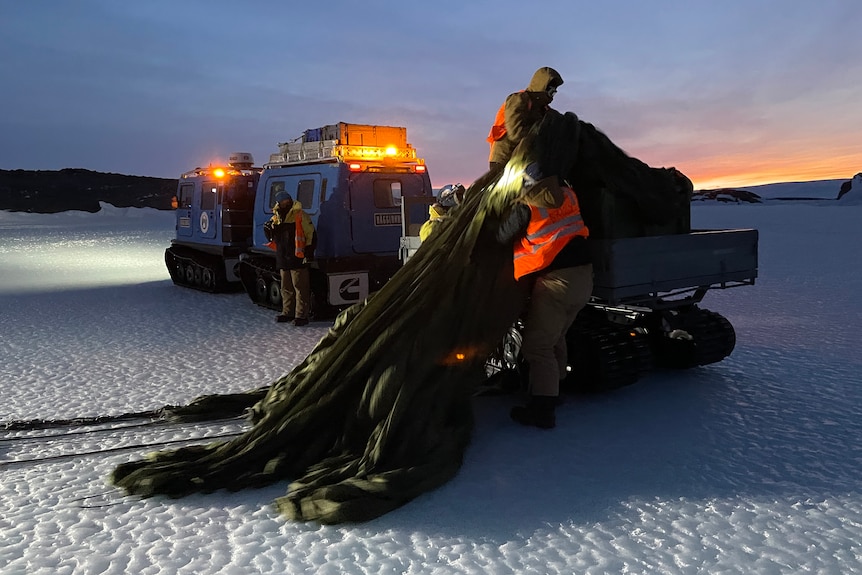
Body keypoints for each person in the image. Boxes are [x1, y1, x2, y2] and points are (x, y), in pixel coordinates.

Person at [497, 168, 593, 428]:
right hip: (583, 278)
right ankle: (554, 390)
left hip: (556, 283)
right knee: (555, 338)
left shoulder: (528, 205)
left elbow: (503, 236)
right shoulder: (568, 194)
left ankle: (542, 410)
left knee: (537, 347)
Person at [487, 67, 564, 171]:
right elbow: (516, 132)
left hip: (524, 159)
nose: (552, 97)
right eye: (551, 92)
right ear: (543, 86)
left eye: (554, 93)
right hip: (504, 157)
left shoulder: (545, 110)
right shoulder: (519, 99)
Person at [263, 190, 316, 326]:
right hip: (283, 256)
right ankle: (287, 313)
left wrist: (309, 251)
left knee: (300, 287)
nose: (285, 202)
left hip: (298, 256)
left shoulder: (300, 215)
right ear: (279, 202)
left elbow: (310, 233)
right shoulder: (276, 218)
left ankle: (301, 315)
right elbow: (272, 236)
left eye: (287, 200)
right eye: (283, 200)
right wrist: (268, 230)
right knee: (285, 287)